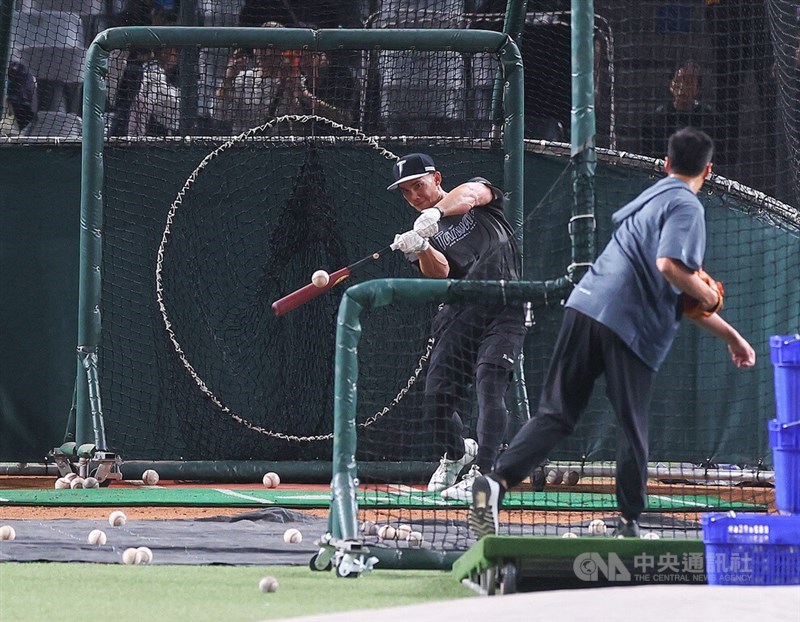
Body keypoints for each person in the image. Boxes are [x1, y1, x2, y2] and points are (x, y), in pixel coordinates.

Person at [468, 127, 756, 538]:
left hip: (585, 308)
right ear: (708, 171)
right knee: (632, 424)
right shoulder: (686, 206)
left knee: (555, 414)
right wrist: (708, 296)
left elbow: (678, 296)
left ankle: (493, 483)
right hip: (629, 325)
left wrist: (733, 338)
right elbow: (670, 268)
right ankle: (629, 523)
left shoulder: (647, 201)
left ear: (665, 165)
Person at [388, 153, 527, 501]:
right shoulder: (424, 230)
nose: (414, 197)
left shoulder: (473, 197)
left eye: (418, 186)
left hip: (505, 306)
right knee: (436, 402)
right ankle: (456, 454)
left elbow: (471, 193)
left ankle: (485, 475)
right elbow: (441, 272)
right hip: (460, 314)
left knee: (489, 386)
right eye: (406, 192)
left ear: (436, 179)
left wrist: (434, 213)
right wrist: (421, 246)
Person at [640, 61, 718, 159]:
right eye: (678, 81)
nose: (682, 87)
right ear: (671, 86)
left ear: (698, 88)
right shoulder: (655, 119)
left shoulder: (710, 119)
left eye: (689, 82)